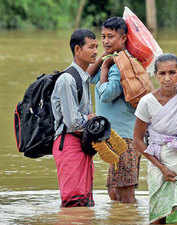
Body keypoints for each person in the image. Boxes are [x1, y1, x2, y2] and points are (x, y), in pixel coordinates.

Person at [133, 53, 177, 225]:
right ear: (155, 75)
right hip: (159, 161)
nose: (167, 78)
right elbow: (138, 140)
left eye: (172, 73)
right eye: (162, 74)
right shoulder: (147, 102)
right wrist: (161, 168)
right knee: (160, 216)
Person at [87, 17, 140, 203]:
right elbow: (87, 77)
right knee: (113, 191)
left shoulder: (120, 64)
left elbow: (107, 94)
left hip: (125, 137)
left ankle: (130, 219)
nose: (106, 41)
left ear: (124, 38)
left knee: (125, 192)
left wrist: (105, 69)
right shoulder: (111, 61)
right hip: (115, 137)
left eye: (111, 36)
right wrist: (103, 58)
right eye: (103, 37)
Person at [51, 29, 97, 207]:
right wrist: (90, 119)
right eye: (91, 47)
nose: (95, 51)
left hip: (82, 143)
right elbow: (72, 122)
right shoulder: (67, 80)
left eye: (96, 47)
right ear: (77, 50)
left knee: (85, 203)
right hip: (68, 142)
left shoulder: (83, 78)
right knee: (73, 203)